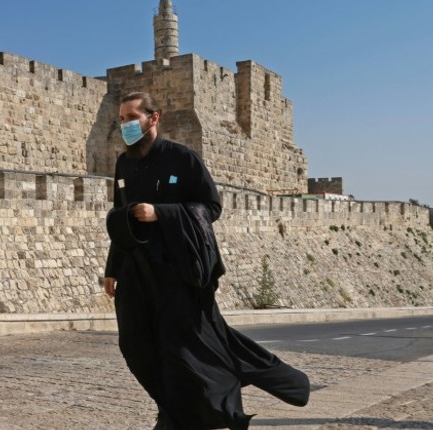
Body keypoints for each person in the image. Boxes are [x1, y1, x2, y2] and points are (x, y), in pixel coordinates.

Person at [104, 92, 310, 430]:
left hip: (177, 269)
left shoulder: (183, 159)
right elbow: (119, 215)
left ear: (154, 118)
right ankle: (174, 410)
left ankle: (182, 415)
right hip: (135, 269)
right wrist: (112, 269)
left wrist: (162, 213)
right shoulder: (123, 163)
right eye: (122, 119)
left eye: (131, 117)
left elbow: (211, 207)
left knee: (181, 347)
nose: (125, 125)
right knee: (134, 345)